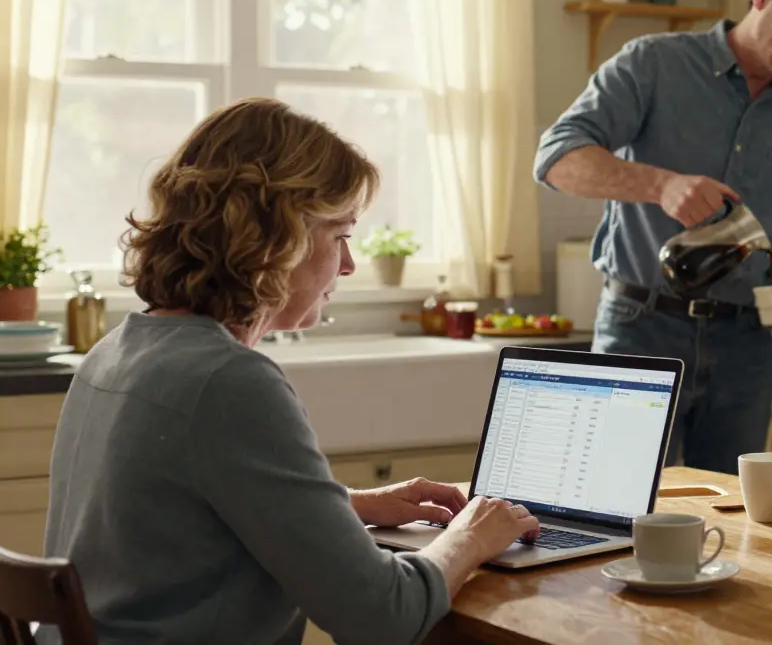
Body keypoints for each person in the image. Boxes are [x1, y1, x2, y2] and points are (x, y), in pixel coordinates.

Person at [39, 98, 539, 644]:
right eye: (340, 235)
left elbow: (175, 520)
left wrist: (344, 507)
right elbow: (382, 616)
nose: (347, 265)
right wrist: (469, 536)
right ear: (277, 236)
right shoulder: (229, 382)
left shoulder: (115, 352)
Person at [533, 0, 772, 474]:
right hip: (641, 329)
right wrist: (659, 184)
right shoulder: (654, 64)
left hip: (746, 352)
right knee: (618, 508)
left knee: (734, 525)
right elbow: (554, 159)